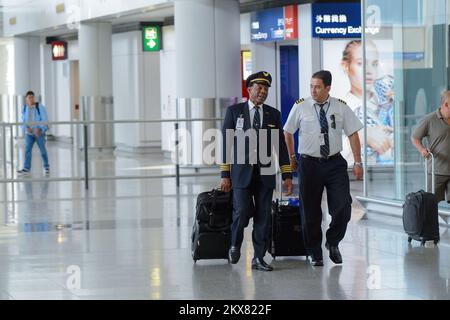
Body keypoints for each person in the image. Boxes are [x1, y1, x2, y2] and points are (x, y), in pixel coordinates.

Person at [283, 70, 363, 266]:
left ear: (328, 88)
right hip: (309, 164)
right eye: (311, 86)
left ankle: (333, 242)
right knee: (310, 211)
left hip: (335, 163)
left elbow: (353, 133)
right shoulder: (301, 106)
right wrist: (292, 157)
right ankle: (314, 252)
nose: (313, 90)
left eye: (318, 87)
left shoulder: (340, 106)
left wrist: (358, 162)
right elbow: (287, 132)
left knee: (343, 208)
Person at [220, 71, 293, 272]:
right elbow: (225, 143)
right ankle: (235, 244)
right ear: (249, 89)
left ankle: (258, 258)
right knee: (242, 212)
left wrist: (287, 175)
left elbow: (281, 145)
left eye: (266, 88)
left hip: (266, 175)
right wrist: (225, 174)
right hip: (241, 174)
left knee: (263, 217)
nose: (263, 92)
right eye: (259, 88)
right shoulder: (235, 112)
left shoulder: (273, 114)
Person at [340, 39, 394, 165]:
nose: (369, 71)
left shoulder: (388, 103)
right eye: (361, 63)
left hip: (387, 174)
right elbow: (326, 151)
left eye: (374, 64)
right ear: (346, 66)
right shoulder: (338, 107)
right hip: (352, 175)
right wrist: (363, 137)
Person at [411, 90, 450, 203]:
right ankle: (431, 221)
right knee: (432, 202)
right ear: (446, 104)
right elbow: (415, 137)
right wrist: (422, 149)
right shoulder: (429, 119)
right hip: (437, 170)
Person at [17, 91, 50, 176]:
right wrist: (26, 128)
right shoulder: (24, 108)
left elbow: (45, 119)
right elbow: (22, 121)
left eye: (32, 97)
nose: (31, 98)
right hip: (29, 134)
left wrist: (40, 128)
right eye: (29, 97)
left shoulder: (40, 107)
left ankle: (46, 167)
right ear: (26, 99)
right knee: (27, 150)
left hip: (39, 133)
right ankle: (26, 168)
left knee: (42, 150)